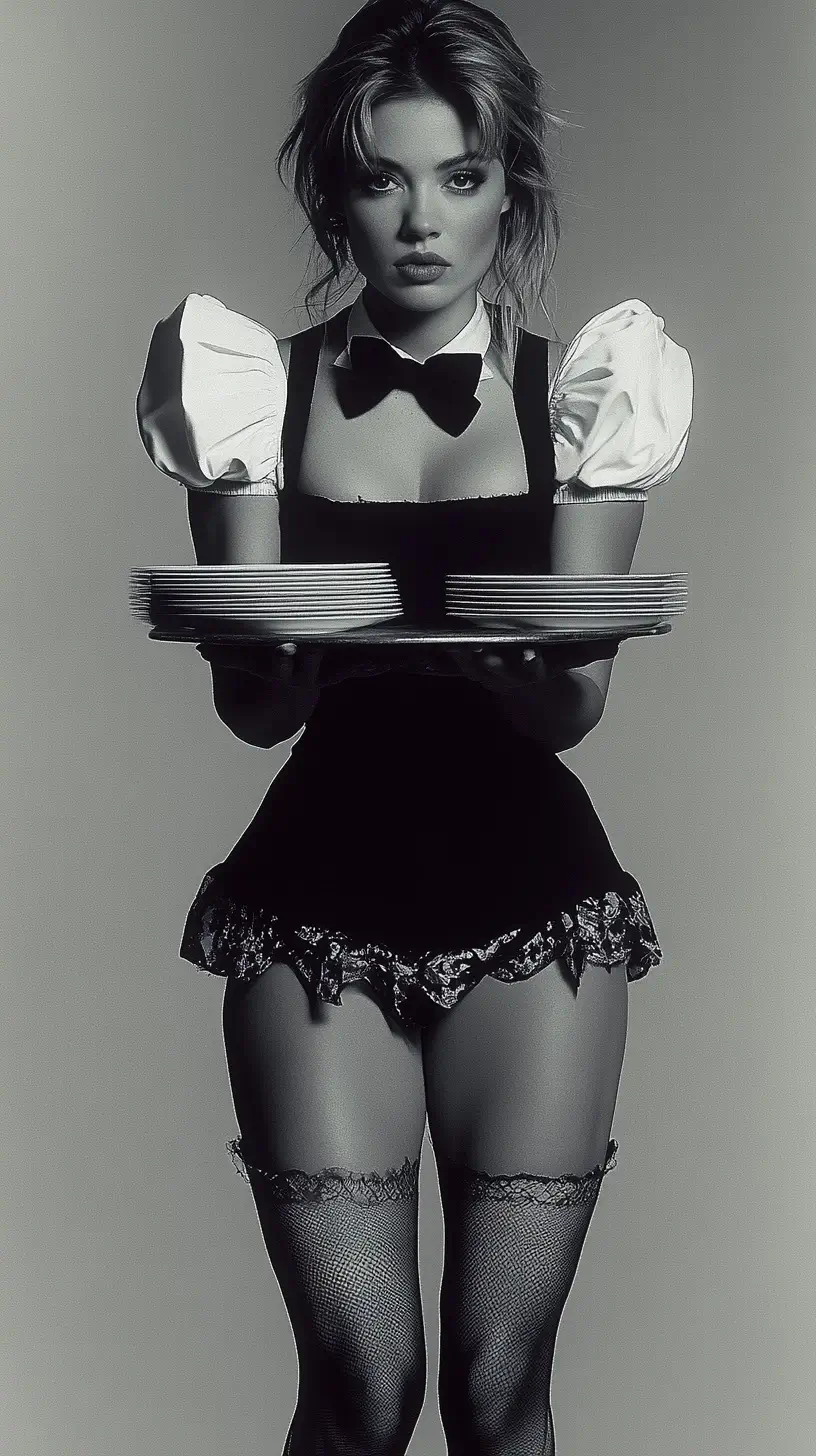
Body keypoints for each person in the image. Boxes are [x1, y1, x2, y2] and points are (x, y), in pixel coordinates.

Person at [135, 1, 693, 1450]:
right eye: (385, 179)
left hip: (536, 903)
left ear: (511, 184)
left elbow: (577, 701)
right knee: (360, 1388)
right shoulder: (251, 392)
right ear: (338, 191)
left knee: (500, 1394)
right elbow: (253, 711)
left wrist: (537, 679)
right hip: (313, 898)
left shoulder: (587, 396)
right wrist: (282, 662)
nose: (423, 220)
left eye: (459, 176)